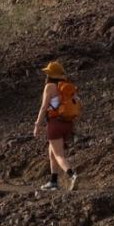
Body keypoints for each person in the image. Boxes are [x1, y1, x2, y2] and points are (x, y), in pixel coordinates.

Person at [34, 58, 78, 192]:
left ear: (50, 75)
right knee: (52, 153)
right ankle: (53, 182)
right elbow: (77, 104)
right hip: (67, 123)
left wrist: (37, 125)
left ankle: (72, 174)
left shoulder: (50, 87)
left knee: (59, 155)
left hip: (54, 124)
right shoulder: (67, 87)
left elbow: (43, 107)